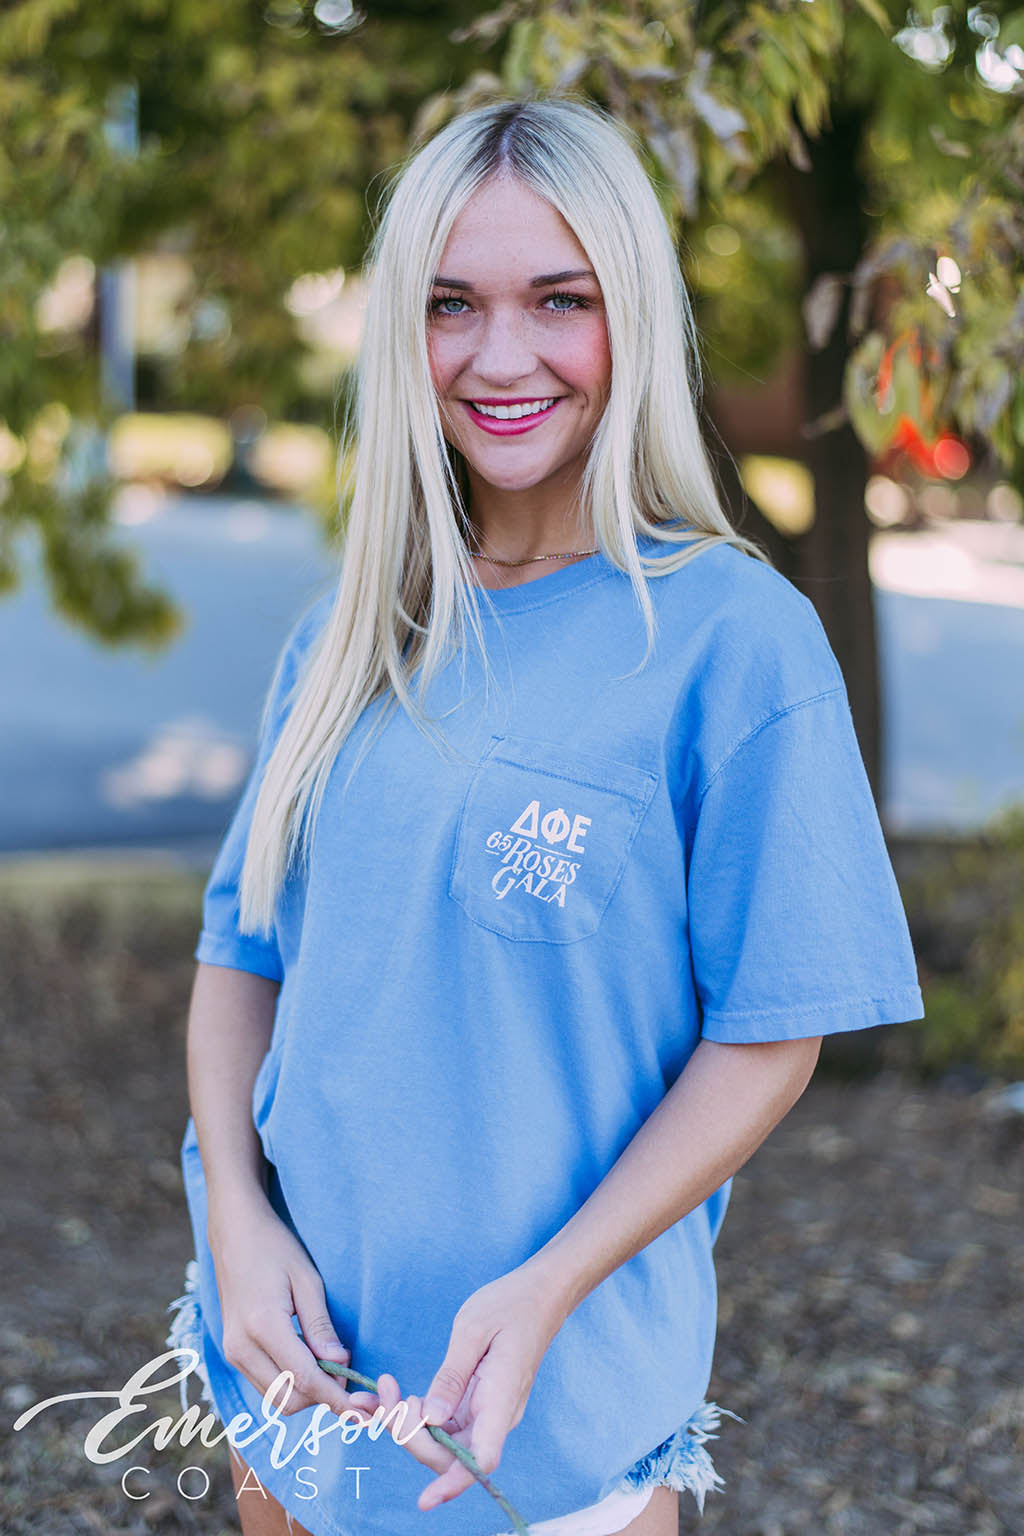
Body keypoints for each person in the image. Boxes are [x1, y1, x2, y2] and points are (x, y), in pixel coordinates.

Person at [169, 94, 925, 1536]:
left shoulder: (735, 643)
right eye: (450, 304)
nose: (499, 356)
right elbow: (242, 958)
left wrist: (549, 1287)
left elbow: (771, 1035)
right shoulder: (348, 634)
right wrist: (236, 1226)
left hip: (551, 1421)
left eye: (558, 300)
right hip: (291, 1380)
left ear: (630, 316)